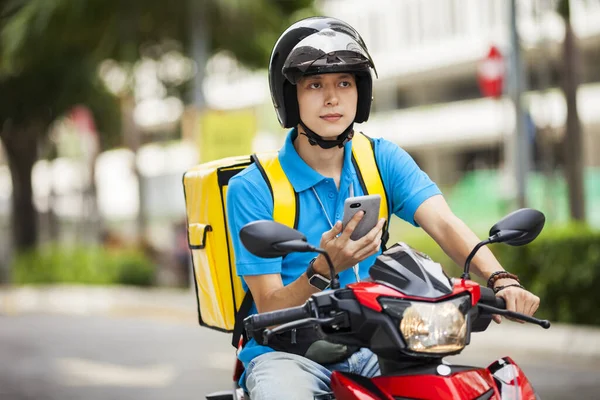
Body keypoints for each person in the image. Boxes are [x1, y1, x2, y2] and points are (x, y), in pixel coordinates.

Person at [226, 16, 540, 400]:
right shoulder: (253, 187)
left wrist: (499, 279)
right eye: (315, 84)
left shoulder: (382, 159)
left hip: (380, 341)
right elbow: (268, 302)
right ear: (290, 97)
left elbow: (443, 222)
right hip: (289, 354)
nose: (332, 97)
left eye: (344, 82)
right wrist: (323, 269)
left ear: (362, 92)